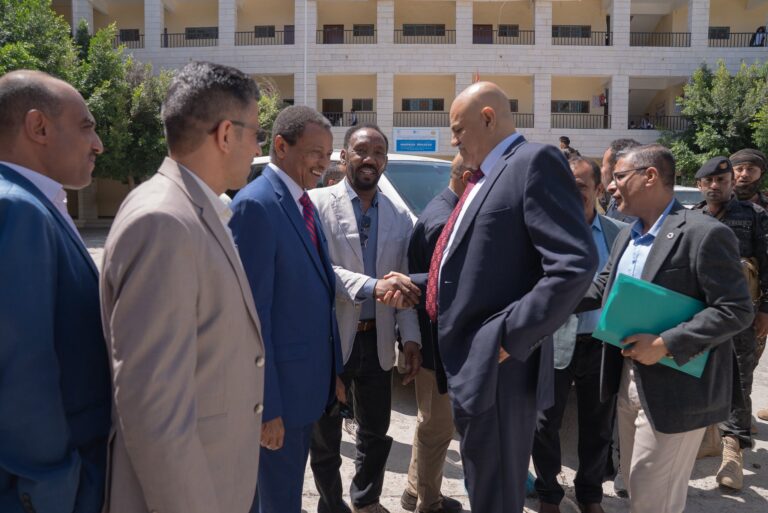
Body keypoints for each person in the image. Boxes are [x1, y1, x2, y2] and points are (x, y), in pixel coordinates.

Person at [411, 82, 598, 513]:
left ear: (490, 118)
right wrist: (422, 284)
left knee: (495, 496)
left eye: (458, 129)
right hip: (473, 367)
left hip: (500, 368)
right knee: (486, 487)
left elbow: (573, 263)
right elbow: (481, 266)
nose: (453, 140)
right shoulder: (485, 176)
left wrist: (508, 336)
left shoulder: (533, 161)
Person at [100, 61, 266, 513]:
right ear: (227, 134)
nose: (257, 147)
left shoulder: (195, 210)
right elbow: (153, 408)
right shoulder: (164, 220)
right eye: (256, 133)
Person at [578, 144, 753, 513]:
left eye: (619, 177)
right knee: (635, 487)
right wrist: (538, 301)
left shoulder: (704, 233)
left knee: (651, 497)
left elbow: (736, 310)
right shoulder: (627, 234)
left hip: (675, 390)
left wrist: (666, 343)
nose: (610, 186)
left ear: (650, 176)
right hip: (626, 380)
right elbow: (600, 289)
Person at [0, 70, 110, 513]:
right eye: (87, 126)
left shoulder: (31, 201)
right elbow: (22, 374)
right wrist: (56, 490)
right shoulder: (16, 209)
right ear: (38, 127)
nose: (98, 143)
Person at [229, 105, 343, 513]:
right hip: (278, 403)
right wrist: (267, 408)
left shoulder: (302, 204)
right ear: (281, 146)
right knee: (276, 504)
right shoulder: (257, 206)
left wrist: (334, 374)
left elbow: (316, 293)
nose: (323, 164)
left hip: (306, 391)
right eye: (314, 152)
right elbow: (250, 319)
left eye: (328, 154)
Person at [309, 124, 422, 513]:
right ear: (344, 157)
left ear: (385, 162)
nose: (369, 158)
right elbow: (321, 269)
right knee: (324, 434)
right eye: (361, 150)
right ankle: (329, 501)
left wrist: (411, 340)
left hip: (376, 340)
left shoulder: (399, 217)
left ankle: (366, 497)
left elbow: (404, 283)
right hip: (330, 340)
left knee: (376, 430)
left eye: (378, 152)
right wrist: (372, 286)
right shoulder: (317, 203)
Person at [532, 157, 626, 513]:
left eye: (581, 187)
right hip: (554, 341)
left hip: (603, 343)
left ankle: (589, 495)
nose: (571, 194)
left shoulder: (619, 234)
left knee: (598, 426)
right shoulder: (542, 232)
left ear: (599, 190)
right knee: (544, 423)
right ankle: (548, 494)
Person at [692, 156, 768, 490]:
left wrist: (766, 309)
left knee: (740, 378)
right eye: (708, 181)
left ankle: (733, 453)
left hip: (741, 314)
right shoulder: (691, 217)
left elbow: (767, 264)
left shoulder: (755, 216)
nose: (715, 186)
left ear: (729, 184)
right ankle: (708, 438)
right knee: (700, 374)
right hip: (699, 313)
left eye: (721, 181)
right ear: (700, 185)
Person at [401, 154, 471, 513]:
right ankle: (429, 503)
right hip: (435, 346)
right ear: (467, 177)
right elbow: (444, 287)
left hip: (435, 343)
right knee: (438, 429)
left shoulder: (448, 208)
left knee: (430, 422)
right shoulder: (444, 218)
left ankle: (415, 491)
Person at [600, 138, 640, 224]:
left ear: (616, 168)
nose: (601, 171)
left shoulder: (634, 212)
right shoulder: (614, 199)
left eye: (603, 166)